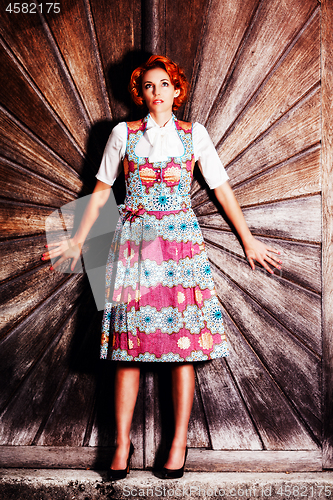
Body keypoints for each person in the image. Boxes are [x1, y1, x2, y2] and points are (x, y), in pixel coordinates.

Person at [42, 55, 281, 480]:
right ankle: (120, 444)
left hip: (180, 247)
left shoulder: (195, 135)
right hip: (133, 245)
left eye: (163, 84)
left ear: (176, 90)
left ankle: (177, 443)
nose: (156, 92)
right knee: (126, 351)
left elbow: (221, 188)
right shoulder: (122, 133)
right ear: (141, 93)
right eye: (148, 85)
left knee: (182, 349)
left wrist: (249, 240)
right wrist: (77, 241)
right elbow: (98, 192)